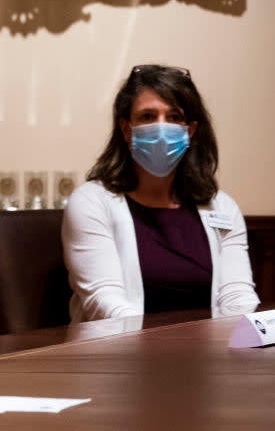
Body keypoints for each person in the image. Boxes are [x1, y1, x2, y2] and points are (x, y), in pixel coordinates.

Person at [63, 64, 259, 322]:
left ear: (190, 131)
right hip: (122, 355)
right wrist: (154, 349)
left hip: (208, 356)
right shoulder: (91, 201)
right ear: (126, 129)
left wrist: (228, 348)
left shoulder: (222, 208)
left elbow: (237, 296)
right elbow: (104, 300)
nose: (161, 128)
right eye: (147, 116)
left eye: (175, 117)